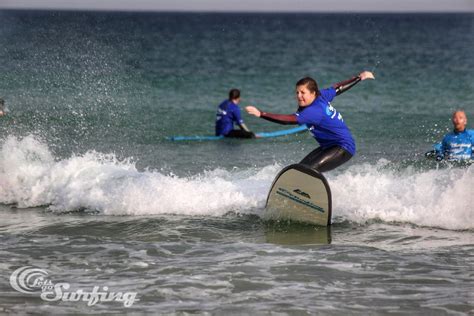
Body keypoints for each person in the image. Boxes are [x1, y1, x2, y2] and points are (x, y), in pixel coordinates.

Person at [246, 71, 375, 172]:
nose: (299, 96)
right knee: (300, 169)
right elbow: (338, 88)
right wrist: (359, 77)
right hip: (328, 146)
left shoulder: (312, 111)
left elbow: (288, 120)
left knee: (309, 171)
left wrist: (261, 114)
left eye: (303, 92)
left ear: (313, 93)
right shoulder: (322, 95)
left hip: (343, 148)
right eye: (297, 92)